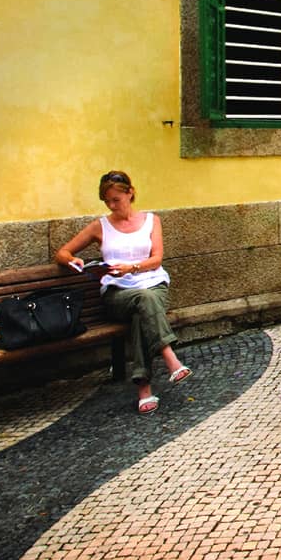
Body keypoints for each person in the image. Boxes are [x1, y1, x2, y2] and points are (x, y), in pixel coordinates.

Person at [55, 170, 191, 414]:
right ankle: (169, 356)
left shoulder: (152, 221)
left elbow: (157, 259)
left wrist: (132, 268)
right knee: (143, 300)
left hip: (152, 284)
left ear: (130, 193)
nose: (111, 205)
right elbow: (62, 252)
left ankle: (144, 390)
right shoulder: (100, 226)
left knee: (143, 311)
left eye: (116, 199)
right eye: (107, 201)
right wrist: (72, 259)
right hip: (118, 294)